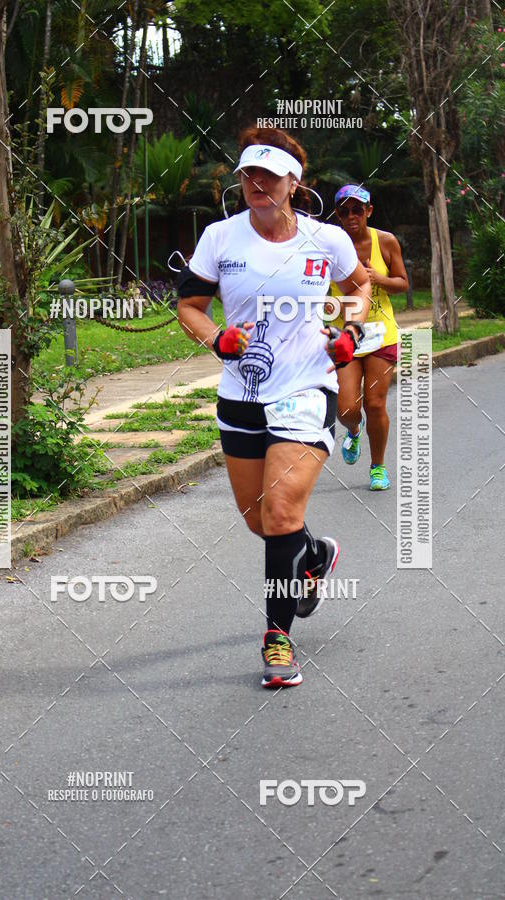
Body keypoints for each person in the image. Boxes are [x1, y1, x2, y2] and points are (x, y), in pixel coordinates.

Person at [176, 128, 371, 688]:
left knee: (280, 512)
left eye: (269, 176)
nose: (256, 185)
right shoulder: (220, 237)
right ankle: (313, 554)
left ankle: (277, 639)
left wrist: (350, 328)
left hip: (307, 389)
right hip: (241, 394)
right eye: (247, 176)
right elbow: (189, 305)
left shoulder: (325, 240)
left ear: (294, 182)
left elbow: (359, 287)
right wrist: (216, 339)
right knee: (259, 519)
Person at [331, 184, 409, 490]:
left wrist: (379, 279)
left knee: (375, 404)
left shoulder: (385, 241)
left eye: (357, 210)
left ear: (369, 211)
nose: (351, 217)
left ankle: (377, 468)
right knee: (347, 408)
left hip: (380, 333)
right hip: (346, 334)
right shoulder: (331, 245)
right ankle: (353, 429)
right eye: (344, 211)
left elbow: (402, 283)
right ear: (337, 215)